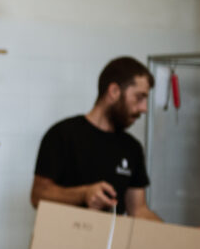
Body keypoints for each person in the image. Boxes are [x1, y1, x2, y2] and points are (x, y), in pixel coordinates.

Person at [31, 56, 161, 220]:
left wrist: (180, 234)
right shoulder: (62, 134)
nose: (144, 108)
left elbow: (138, 211)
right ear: (114, 91)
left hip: (111, 238)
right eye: (139, 97)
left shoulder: (132, 147)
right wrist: (84, 194)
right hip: (63, 235)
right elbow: (38, 195)